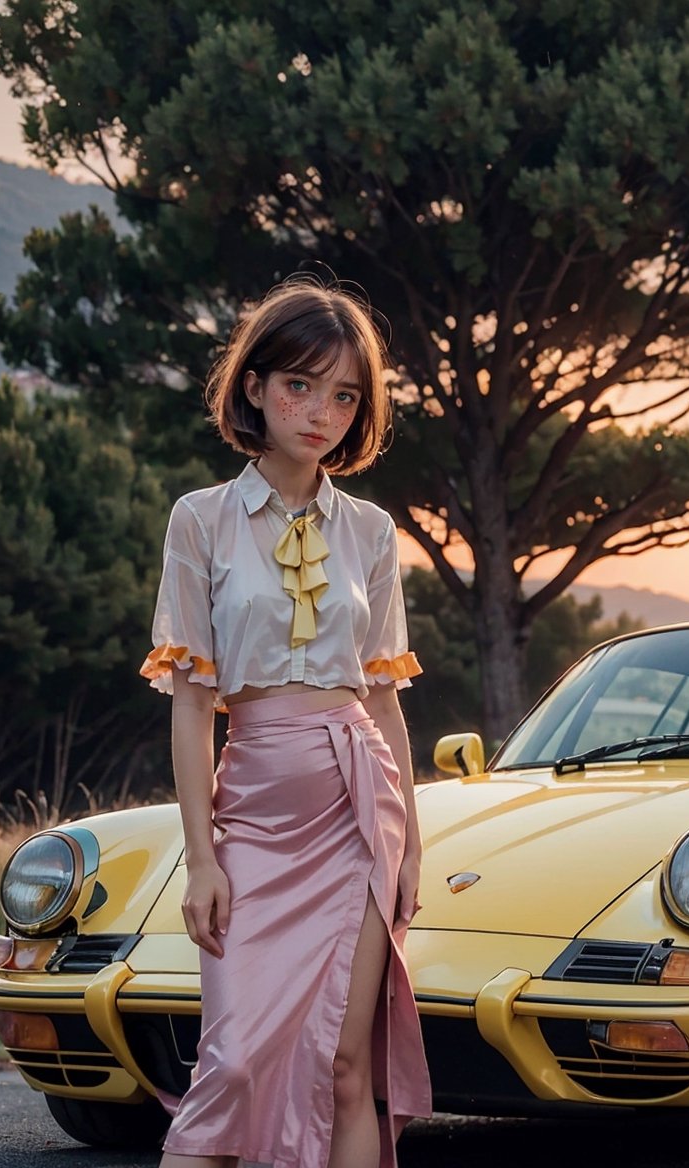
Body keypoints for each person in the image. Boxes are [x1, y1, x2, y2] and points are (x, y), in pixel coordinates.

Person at [139, 278, 431, 1168]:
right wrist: (204, 858)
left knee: (344, 1069)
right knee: (229, 1063)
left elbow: (382, 700)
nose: (321, 412)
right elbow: (193, 705)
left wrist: (411, 845)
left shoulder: (374, 533)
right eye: (301, 385)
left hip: (358, 815)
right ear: (255, 387)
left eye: (345, 394)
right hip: (255, 818)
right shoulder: (202, 521)